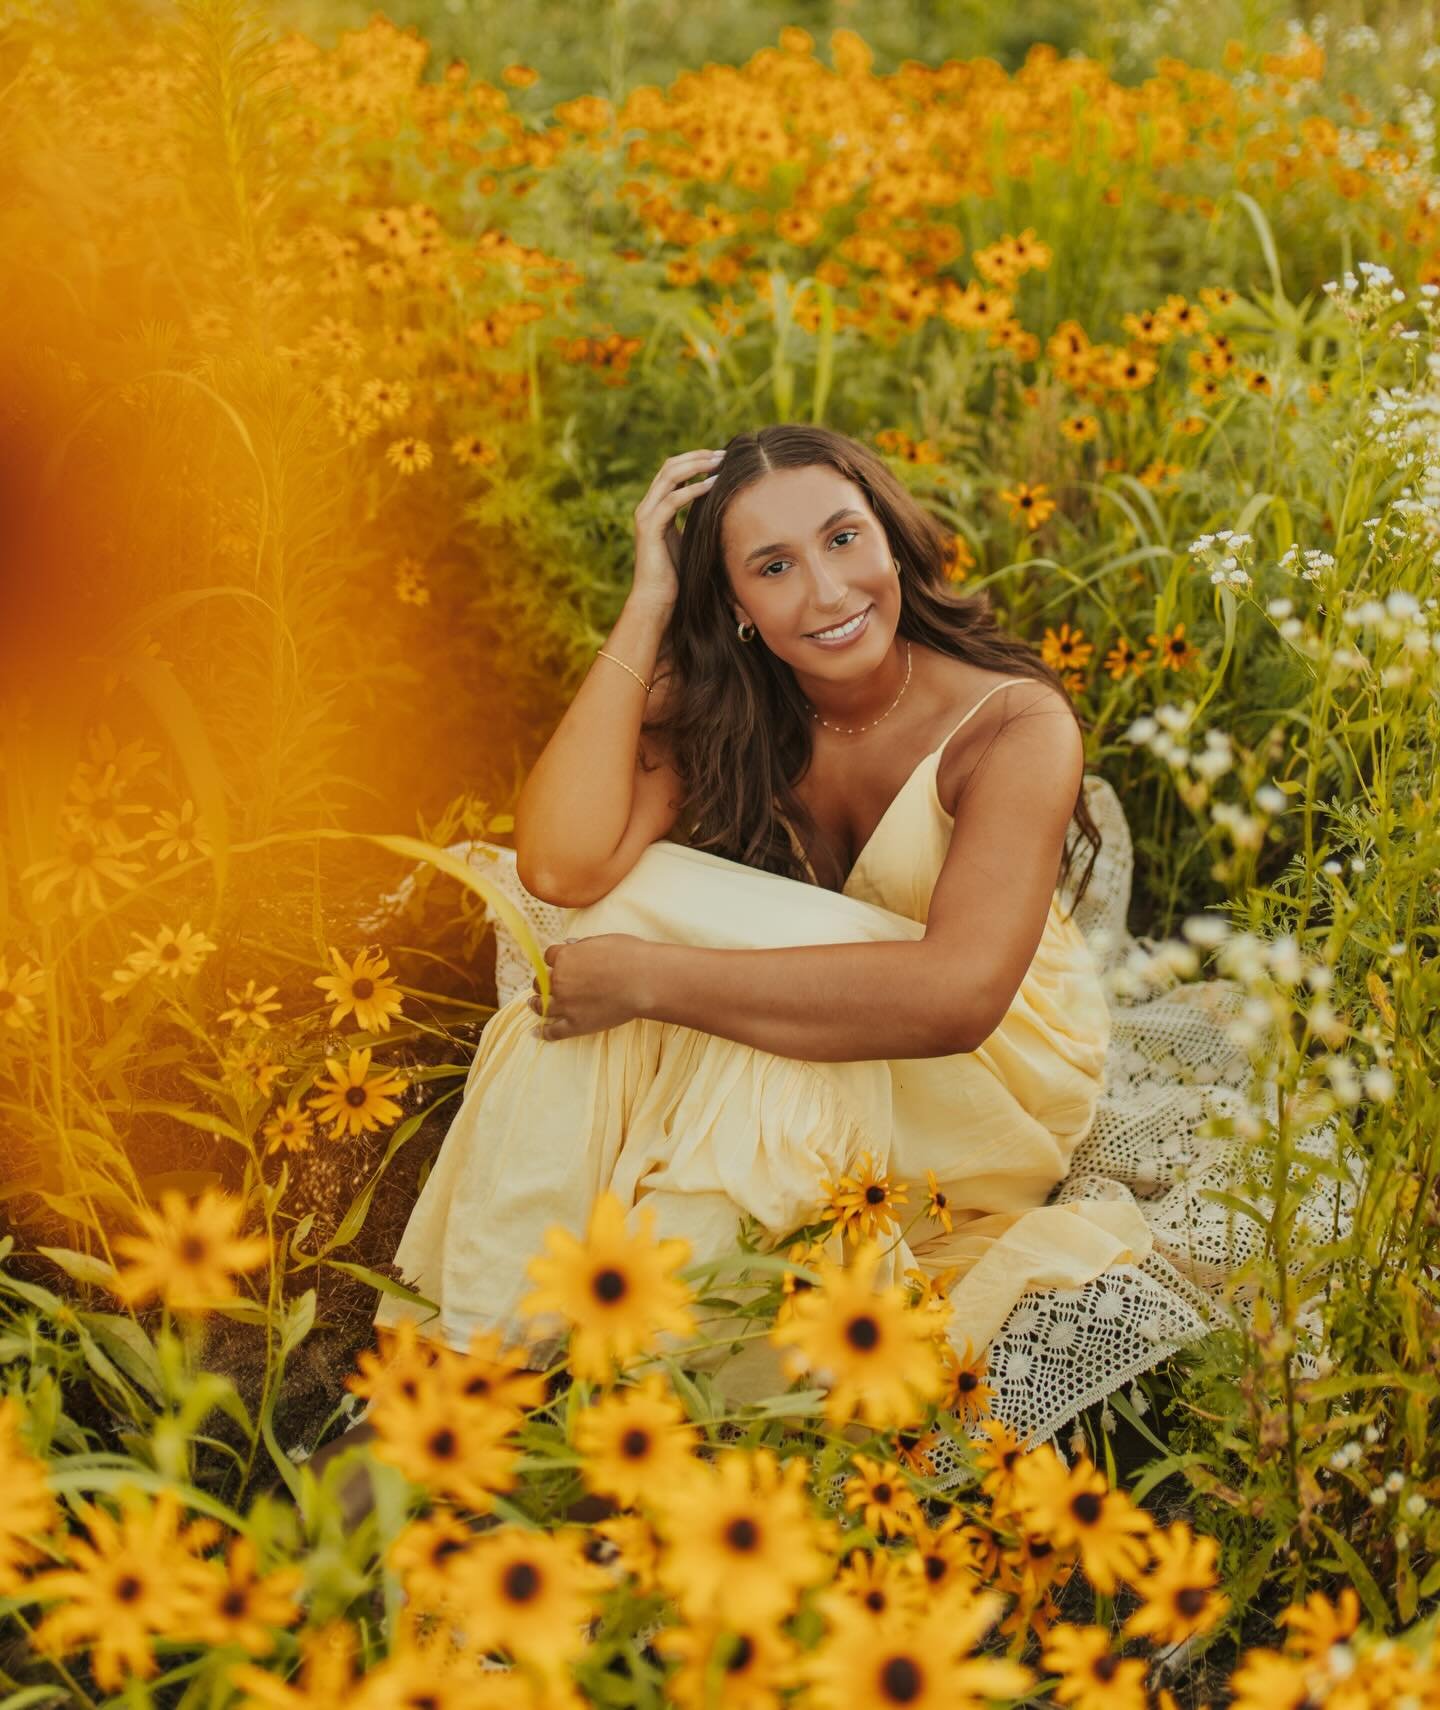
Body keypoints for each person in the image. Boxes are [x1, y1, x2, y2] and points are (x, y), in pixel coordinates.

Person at [304, 424, 1168, 1522]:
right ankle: (482, 1381)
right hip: (829, 1047)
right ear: (740, 609)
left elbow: (956, 997)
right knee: (707, 1012)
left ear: (890, 538)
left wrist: (654, 980)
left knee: (645, 945)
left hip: (988, 1080)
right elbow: (560, 866)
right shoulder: (743, 701)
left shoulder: (1012, 724)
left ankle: (563, 1393)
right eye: (773, 566)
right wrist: (648, 602)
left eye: (843, 538)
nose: (828, 591)